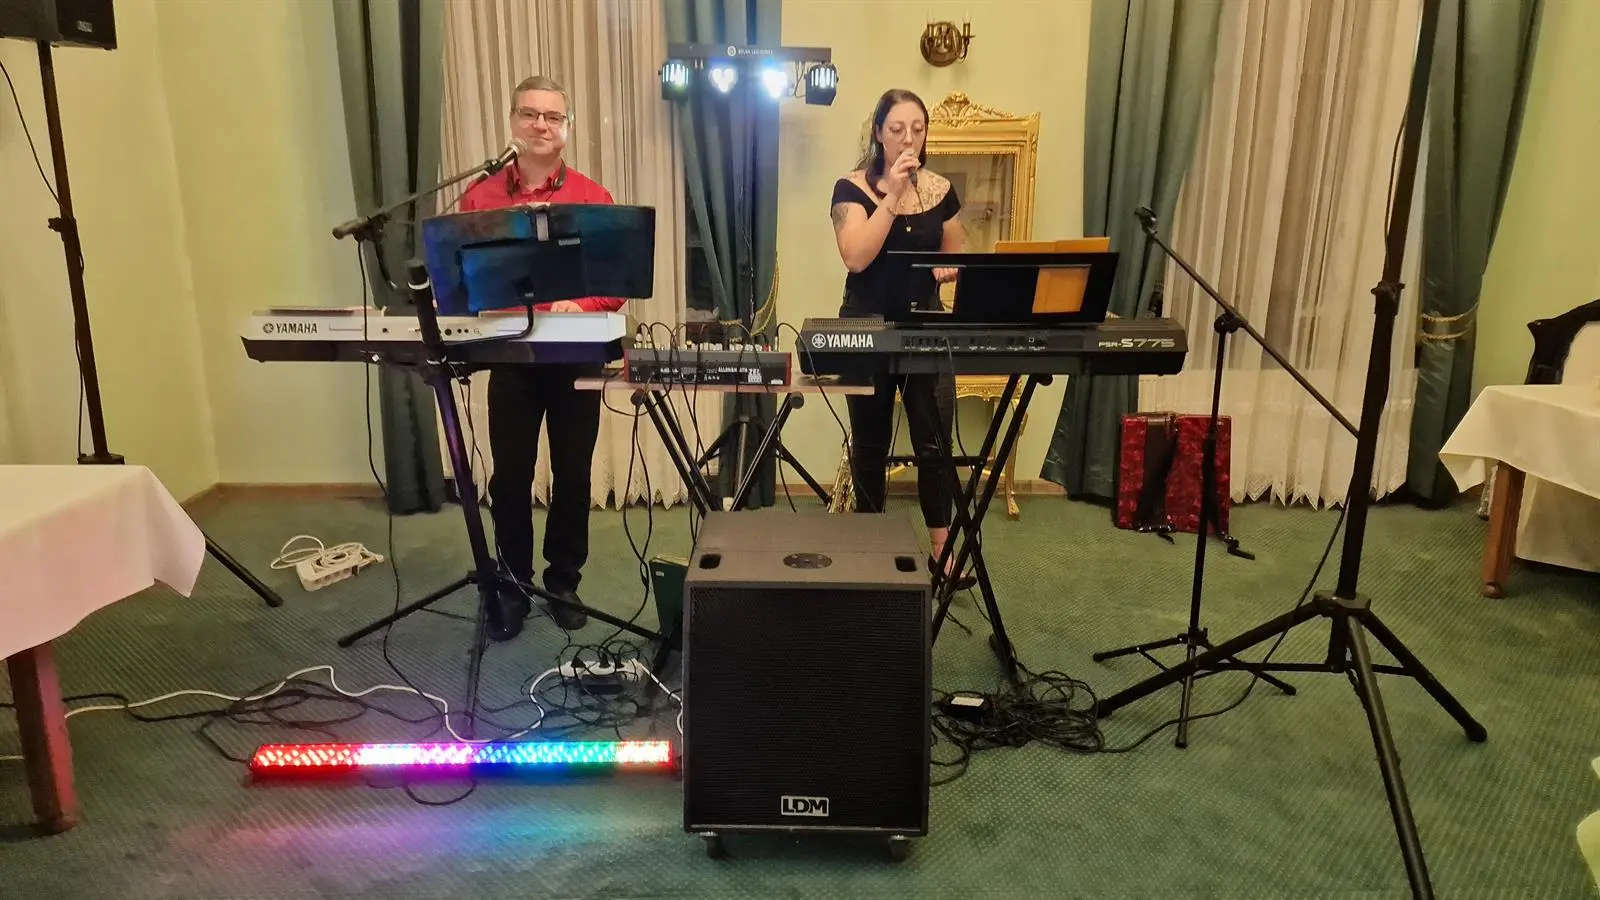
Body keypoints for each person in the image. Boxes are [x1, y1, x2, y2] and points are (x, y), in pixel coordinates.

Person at [458, 75, 619, 639]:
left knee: (573, 476)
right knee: (509, 478)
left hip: (575, 359)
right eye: (530, 114)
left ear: (566, 127)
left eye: (552, 117)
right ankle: (513, 584)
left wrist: (584, 303)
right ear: (512, 122)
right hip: (511, 360)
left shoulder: (595, 198)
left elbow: (613, 281)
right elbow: (460, 276)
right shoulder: (478, 198)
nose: (541, 125)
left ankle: (563, 581)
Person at [829, 88, 974, 589]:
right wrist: (892, 193)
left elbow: (954, 254)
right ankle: (869, 551)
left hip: (925, 330)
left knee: (934, 444)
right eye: (896, 129)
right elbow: (856, 257)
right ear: (878, 133)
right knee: (870, 445)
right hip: (867, 330)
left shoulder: (941, 191)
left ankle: (942, 553)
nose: (908, 139)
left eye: (917, 129)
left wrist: (948, 269)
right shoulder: (850, 189)